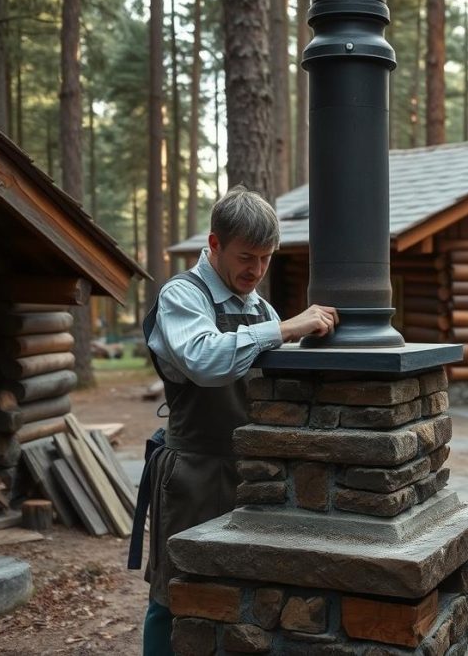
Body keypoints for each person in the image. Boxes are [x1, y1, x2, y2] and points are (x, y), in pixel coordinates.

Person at [130, 186, 338, 655]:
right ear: (215, 244)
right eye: (247, 256)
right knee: (175, 593)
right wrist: (287, 328)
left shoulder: (259, 309)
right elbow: (205, 360)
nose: (257, 270)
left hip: (255, 476)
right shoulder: (183, 296)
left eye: (266, 259)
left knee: (241, 595)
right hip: (194, 474)